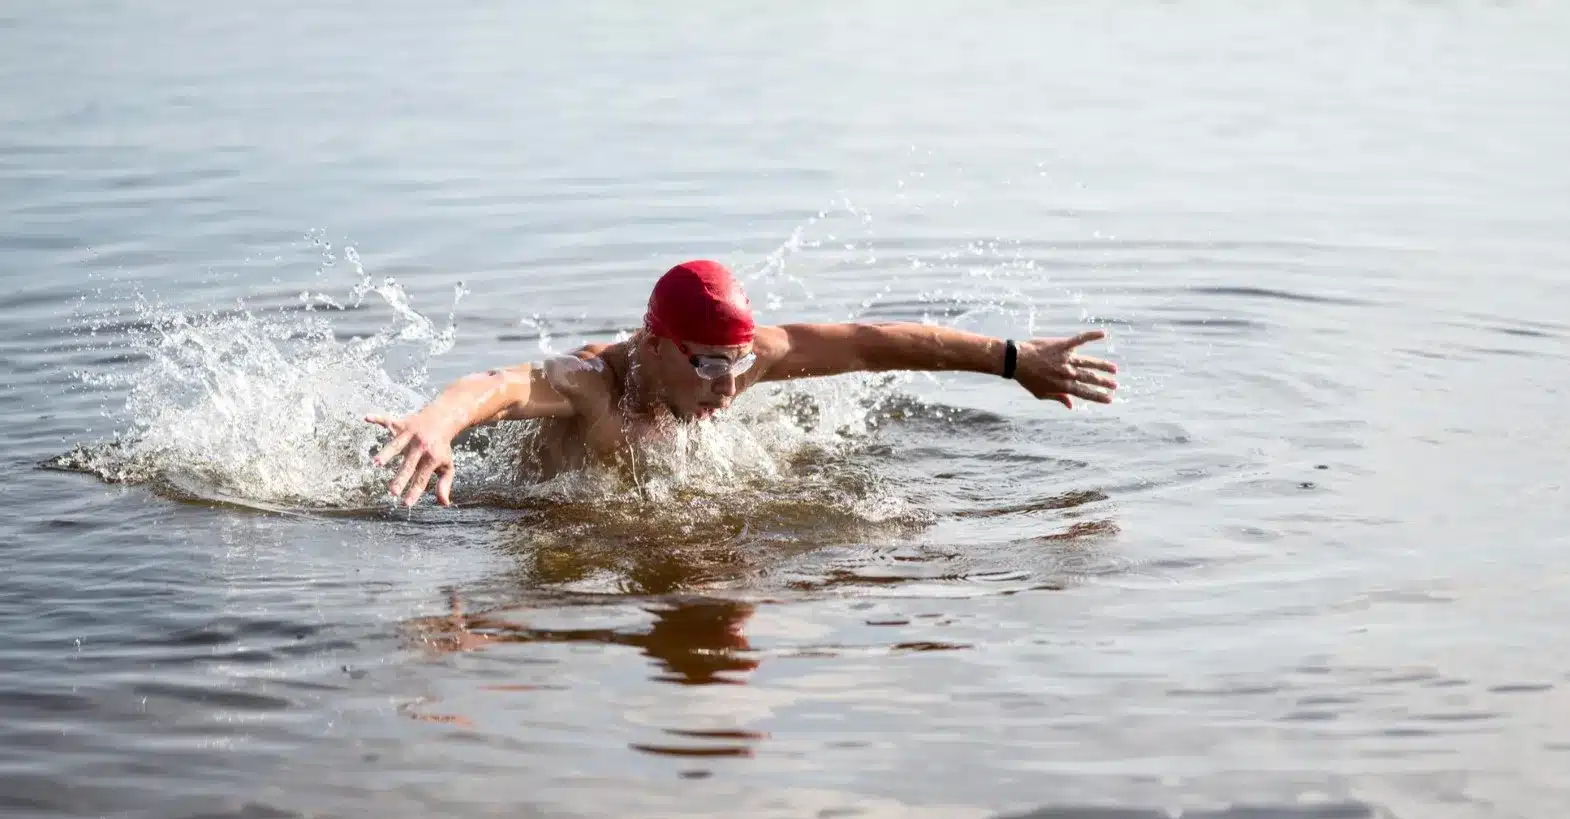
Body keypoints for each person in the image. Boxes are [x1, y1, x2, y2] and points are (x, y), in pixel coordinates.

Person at [366, 260, 1118, 506]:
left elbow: (871, 343)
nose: (728, 388)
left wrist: (1014, 360)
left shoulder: (736, 359)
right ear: (655, 343)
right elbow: (499, 385)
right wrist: (436, 423)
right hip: (517, 509)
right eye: (705, 365)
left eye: (737, 365)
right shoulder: (594, 383)